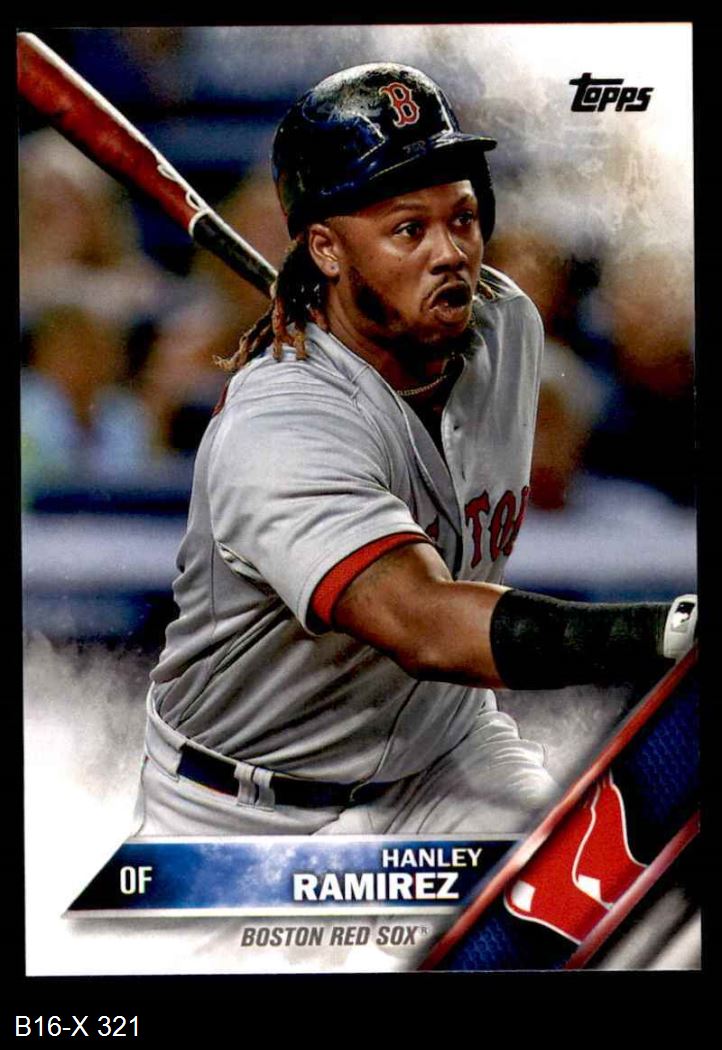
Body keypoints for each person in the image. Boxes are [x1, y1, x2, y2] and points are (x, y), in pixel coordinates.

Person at [136, 63, 696, 840]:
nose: (451, 252)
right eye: (409, 229)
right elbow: (426, 625)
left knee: (601, 885)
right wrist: (666, 632)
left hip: (446, 755)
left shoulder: (506, 326)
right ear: (326, 248)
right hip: (246, 801)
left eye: (462, 218)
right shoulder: (280, 423)